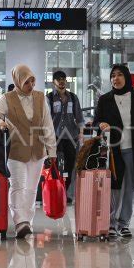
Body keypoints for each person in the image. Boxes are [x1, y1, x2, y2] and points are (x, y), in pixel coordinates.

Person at [0, 64, 57, 238]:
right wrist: (0, 123)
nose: (31, 85)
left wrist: (52, 151)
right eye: (27, 81)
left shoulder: (41, 98)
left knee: (32, 189)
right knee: (18, 186)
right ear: (18, 81)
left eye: (33, 81)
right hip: (16, 150)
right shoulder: (7, 98)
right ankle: (20, 221)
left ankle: (28, 220)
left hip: (37, 150)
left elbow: (48, 125)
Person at [93, 64, 134, 239]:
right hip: (113, 151)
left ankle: (124, 224)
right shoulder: (105, 99)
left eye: (120, 75)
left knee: (130, 188)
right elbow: (96, 120)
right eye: (113, 75)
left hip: (133, 150)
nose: (116, 78)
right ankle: (111, 224)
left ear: (127, 78)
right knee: (114, 188)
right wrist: (101, 125)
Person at [46, 70, 84, 203]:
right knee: (55, 164)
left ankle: (66, 192)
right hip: (55, 136)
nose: (61, 81)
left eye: (63, 79)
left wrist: (81, 133)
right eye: (58, 79)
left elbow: (79, 117)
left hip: (71, 136)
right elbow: (46, 119)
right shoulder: (49, 98)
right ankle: (56, 190)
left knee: (70, 164)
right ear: (54, 82)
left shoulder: (73, 97)